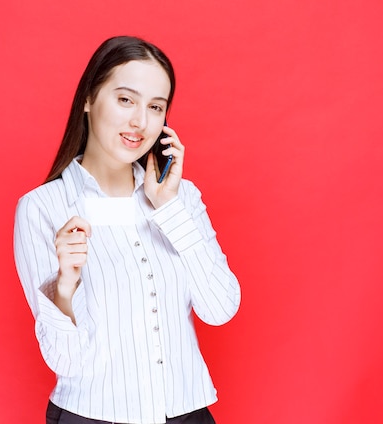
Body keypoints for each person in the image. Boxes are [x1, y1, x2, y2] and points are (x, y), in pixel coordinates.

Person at [14, 35, 241, 424]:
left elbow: (220, 309)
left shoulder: (180, 197)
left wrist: (168, 209)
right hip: (92, 416)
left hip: (186, 414)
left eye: (156, 107)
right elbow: (66, 361)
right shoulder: (43, 209)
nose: (140, 121)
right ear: (88, 99)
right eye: (125, 100)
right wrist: (65, 286)